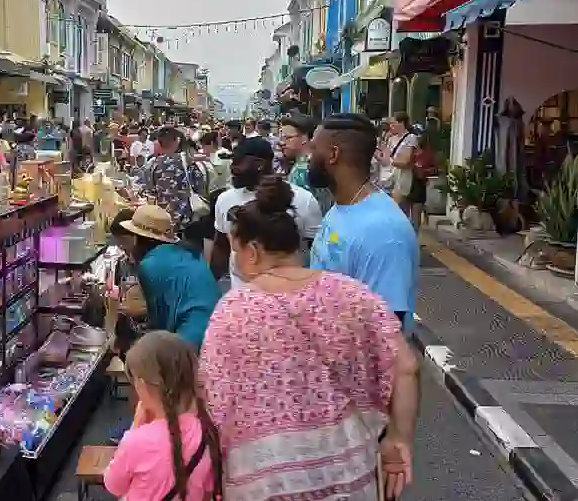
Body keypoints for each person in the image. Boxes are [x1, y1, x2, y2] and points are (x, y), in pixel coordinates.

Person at [200, 176, 420, 501]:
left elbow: (213, 400)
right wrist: (398, 438)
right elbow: (406, 367)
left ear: (254, 250)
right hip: (348, 478)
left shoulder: (233, 310)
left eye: (237, 251)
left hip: (263, 484)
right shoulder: (352, 294)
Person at [308, 114, 419, 324]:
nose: (308, 157)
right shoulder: (341, 206)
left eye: (314, 149)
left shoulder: (384, 232)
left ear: (333, 154)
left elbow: (386, 330)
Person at [104, 331, 221, 501]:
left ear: (142, 385)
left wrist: (135, 426)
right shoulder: (207, 431)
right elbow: (208, 488)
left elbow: (113, 485)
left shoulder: (136, 442)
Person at [211, 137, 322, 287]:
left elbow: (316, 253)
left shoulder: (304, 200)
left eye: (238, 162)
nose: (232, 168)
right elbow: (221, 247)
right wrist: (211, 284)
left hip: (291, 296)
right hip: (243, 298)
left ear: (259, 165)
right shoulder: (225, 199)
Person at [115, 205, 221, 350]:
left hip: (192, 338)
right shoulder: (187, 252)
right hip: (216, 327)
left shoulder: (150, 265)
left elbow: (158, 323)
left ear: (136, 238)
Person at [144, 127, 206, 231]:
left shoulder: (152, 164)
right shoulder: (187, 162)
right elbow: (199, 185)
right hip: (185, 220)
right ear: (176, 141)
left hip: (162, 219)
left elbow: (150, 190)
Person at [379, 113, 418, 210]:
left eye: (393, 124)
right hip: (388, 178)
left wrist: (390, 160)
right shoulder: (391, 139)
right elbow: (385, 158)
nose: (391, 127)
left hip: (401, 178)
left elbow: (405, 161)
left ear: (401, 123)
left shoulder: (411, 138)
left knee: (396, 208)